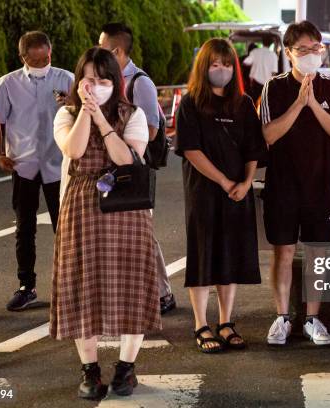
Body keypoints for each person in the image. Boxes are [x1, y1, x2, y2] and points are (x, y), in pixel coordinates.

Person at [51, 46, 161, 399]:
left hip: (126, 208)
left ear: (115, 81)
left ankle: (127, 367)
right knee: (83, 287)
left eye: (102, 80)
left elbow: (126, 160)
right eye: (87, 79)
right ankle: (90, 370)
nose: (94, 86)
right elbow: (74, 150)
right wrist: (87, 111)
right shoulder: (66, 114)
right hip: (82, 207)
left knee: (131, 284)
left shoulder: (134, 115)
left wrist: (102, 120)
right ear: (78, 81)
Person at [260, 21, 330, 346]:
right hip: (282, 184)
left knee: (316, 253)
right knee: (282, 251)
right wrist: (299, 103)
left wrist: (313, 103)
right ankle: (282, 318)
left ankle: (313, 318)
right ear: (288, 53)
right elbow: (268, 135)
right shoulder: (274, 87)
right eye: (303, 49)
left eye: (317, 48)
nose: (312, 54)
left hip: (321, 184)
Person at [175, 38, 265, 353]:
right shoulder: (190, 103)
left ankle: (226, 322)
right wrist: (226, 182)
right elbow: (190, 150)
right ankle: (201, 324)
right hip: (203, 193)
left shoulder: (242, 104)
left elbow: (254, 147)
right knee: (203, 255)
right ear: (204, 67)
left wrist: (246, 181)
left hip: (238, 194)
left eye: (227, 65)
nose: (222, 70)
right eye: (215, 64)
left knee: (231, 254)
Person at [0, 31, 73, 311]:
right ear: (23, 57)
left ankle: (71, 286)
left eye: (47, 57)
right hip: (23, 165)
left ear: (51, 52)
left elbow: (84, 114)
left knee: (67, 229)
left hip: (59, 164)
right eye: (36, 60)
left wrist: (73, 104)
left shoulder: (66, 78)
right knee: (25, 228)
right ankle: (26, 285)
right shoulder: (8, 83)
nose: (43, 63)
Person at [99, 22, 177, 315]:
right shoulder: (104, 79)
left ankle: (163, 293)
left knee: (141, 233)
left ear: (116, 50)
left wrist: (115, 130)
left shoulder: (138, 82)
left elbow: (153, 131)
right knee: (114, 233)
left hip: (134, 168)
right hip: (107, 167)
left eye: (102, 47)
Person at [243, 37, 277, 102]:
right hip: (267, 84)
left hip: (255, 82)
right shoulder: (273, 55)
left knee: (253, 102)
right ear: (271, 44)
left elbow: (245, 63)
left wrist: (254, 65)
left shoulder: (255, 52)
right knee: (264, 103)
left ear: (262, 42)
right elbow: (274, 72)